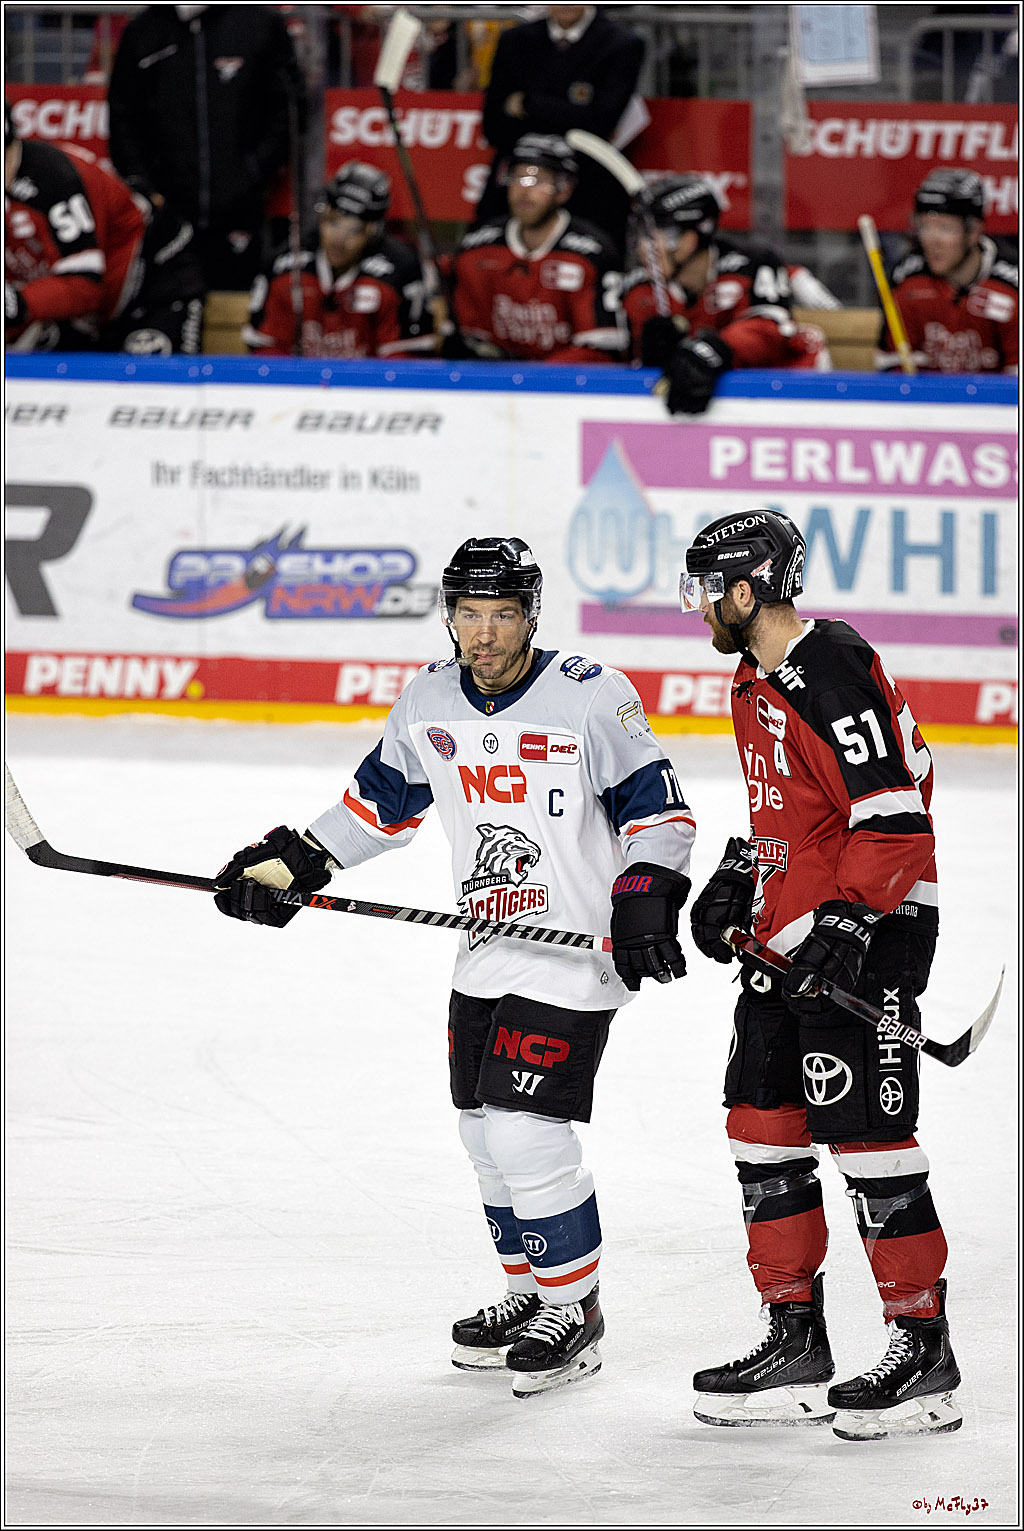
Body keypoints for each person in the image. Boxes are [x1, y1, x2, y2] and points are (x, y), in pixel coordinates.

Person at [212, 538, 694, 1398]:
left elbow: (658, 809)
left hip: (575, 950)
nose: (484, 633)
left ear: (531, 615)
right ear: (449, 614)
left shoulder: (591, 696)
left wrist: (646, 894)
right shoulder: (431, 697)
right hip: (486, 946)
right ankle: (527, 1291)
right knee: (481, 1132)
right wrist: (295, 863)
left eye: (502, 614)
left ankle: (574, 1307)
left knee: (524, 1129)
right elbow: (377, 807)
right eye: (469, 614)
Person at [680, 509, 961, 1442]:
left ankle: (923, 1348)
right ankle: (795, 1337)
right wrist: (738, 874)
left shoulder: (829, 664)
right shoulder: (755, 678)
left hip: (868, 932)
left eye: (707, 589)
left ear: (746, 588)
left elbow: (892, 813)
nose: (701, 608)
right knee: (761, 1127)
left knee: (871, 1139)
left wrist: (847, 920)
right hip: (790, 935)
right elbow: (793, 811)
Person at [107, 4, 304, 291]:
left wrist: (253, 171)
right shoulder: (142, 31)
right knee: (167, 309)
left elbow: (288, 108)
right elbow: (122, 118)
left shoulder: (259, 23)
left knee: (236, 314)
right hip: (167, 215)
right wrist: (144, 186)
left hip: (240, 211)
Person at [5, 103, 204, 355]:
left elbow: (85, 285)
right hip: (88, 309)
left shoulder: (55, 178)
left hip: (152, 283)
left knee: (157, 382)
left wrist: (16, 303)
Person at [624, 174, 830, 415]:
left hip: (779, 404)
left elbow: (768, 331)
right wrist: (652, 359)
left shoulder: (751, 264)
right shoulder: (639, 290)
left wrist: (715, 349)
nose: (642, 248)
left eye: (654, 237)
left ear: (688, 240)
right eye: (641, 237)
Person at [475, 5, 645, 255]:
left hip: (591, 183)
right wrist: (569, 110)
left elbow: (599, 122)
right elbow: (494, 127)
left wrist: (528, 104)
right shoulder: (515, 40)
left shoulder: (623, 44)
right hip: (519, 174)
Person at [447, 133, 626, 364]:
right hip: (494, 388)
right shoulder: (476, 250)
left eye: (538, 180)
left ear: (564, 189)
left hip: (566, 390)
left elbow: (601, 351)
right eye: (519, 178)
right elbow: (468, 339)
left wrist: (532, 374)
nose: (525, 190)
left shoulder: (591, 254)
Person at [244, 162, 433, 359]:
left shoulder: (399, 273)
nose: (338, 240)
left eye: (354, 229)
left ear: (372, 232)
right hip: (300, 387)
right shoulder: (284, 267)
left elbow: (404, 363)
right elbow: (266, 352)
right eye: (332, 221)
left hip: (369, 388)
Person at [877, 168, 1017, 374]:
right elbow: (891, 367)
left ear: (974, 232)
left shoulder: (1011, 286)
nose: (932, 240)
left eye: (944, 228)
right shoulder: (908, 280)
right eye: (925, 227)